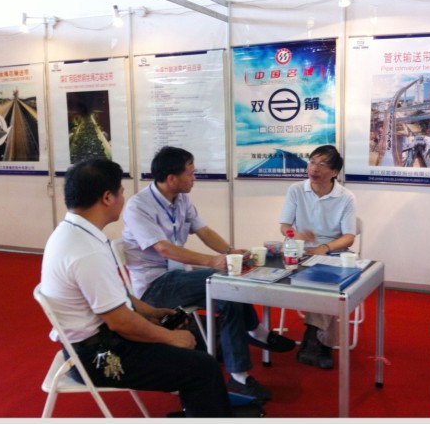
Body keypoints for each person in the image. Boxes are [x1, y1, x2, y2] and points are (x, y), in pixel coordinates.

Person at [40, 158, 232, 417]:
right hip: (98, 356)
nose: (123, 198)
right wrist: (169, 337)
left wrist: (150, 312)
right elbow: (121, 322)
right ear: (107, 197)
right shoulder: (86, 251)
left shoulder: (71, 233)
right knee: (202, 367)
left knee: (192, 345)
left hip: (94, 341)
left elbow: (116, 297)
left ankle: (200, 410)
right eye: (121, 192)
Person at [121, 146, 296, 401]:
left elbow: (203, 231)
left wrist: (230, 251)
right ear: (171, 178)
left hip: (179, 275)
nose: (194, 178)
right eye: (190, 173)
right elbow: (164, 249)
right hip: (155, 284)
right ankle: (251, 343)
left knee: (230, 288)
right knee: (225, 285)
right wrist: (213, 261)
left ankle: (242, 367)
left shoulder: (181, 199)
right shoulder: (139, 206)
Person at [279, 145, 356, 369]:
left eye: (322, 165)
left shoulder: (346, 197)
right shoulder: (296, 190)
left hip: (333, 251)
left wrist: (325, 247)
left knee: (326, 285)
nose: (314, 169)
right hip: (301, 249)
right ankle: (322, 342)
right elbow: (285, 226)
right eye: (312, 162)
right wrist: (296, 235)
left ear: (334, 172)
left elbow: (349, 237)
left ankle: (315, 337)